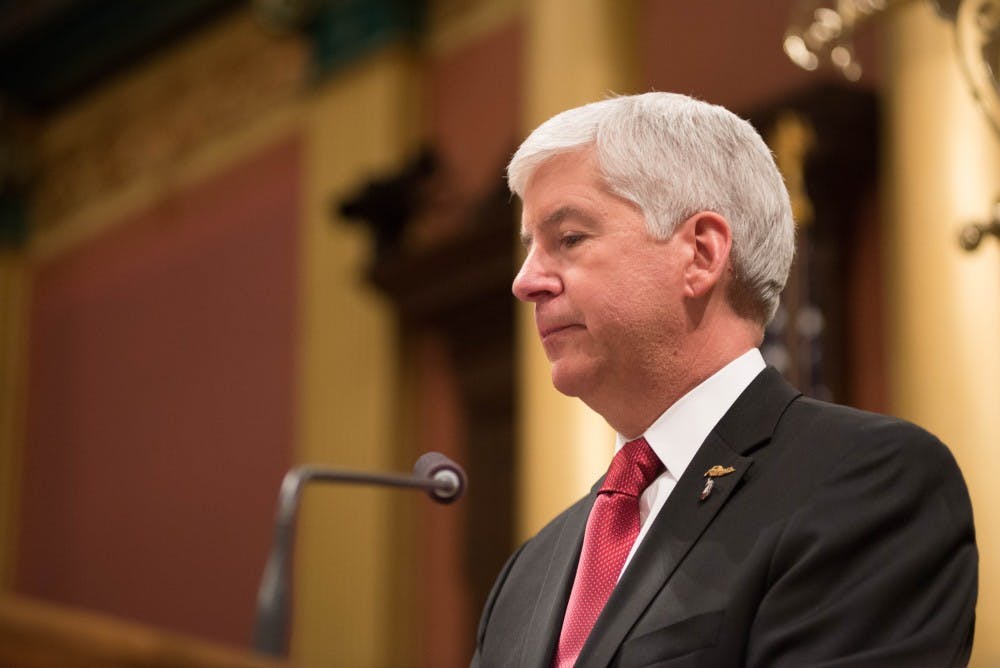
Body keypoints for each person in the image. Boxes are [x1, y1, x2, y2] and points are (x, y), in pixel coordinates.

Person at [471, 92, 977, 667]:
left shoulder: (867, 485)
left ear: (701, 253)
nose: (525, 281)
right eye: (528, 248)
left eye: (569, 239)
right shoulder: (528, 574)